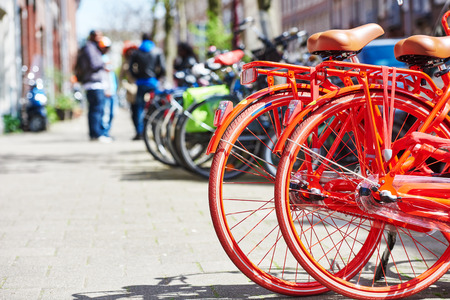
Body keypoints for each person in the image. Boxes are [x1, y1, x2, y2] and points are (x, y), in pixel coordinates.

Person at [128, 33, 166, 140]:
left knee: (139, 108)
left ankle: (140, 132)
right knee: (156, 107)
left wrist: (137, 77)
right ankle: (156, 131)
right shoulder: (157, 51)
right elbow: (162, 68)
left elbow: (131, 69)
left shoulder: (136, 52)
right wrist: (156, 77)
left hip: (141, 83)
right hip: (153, 83)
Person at [76, 30, 112, 143]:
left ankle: (95, 133)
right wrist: (104, 64)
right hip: (93, 83)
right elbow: (94, 64)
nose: (100, 38)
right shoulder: (89, 48)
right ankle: (96, 134)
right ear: (92, 36)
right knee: (96, 109)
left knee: (96, 109)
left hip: (94, 83)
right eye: (98, 36)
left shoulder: (92, 47)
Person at [98, 36, 117, 138]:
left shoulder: (106, 58)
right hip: (107, 90)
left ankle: (107, 132)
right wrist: (107, 89)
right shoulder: (101, 59)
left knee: (111, 113)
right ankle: (104, 132)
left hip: (111, 89)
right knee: (106, 113)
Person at [119, 41, 138, 107]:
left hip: (140, 86)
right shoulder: (125, 63)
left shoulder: (139, 61)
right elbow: (120, 76)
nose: (131, 52)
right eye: (129, 51)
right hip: (130, 88)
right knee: (133, 108)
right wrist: (125, 85)